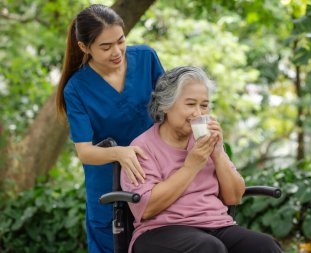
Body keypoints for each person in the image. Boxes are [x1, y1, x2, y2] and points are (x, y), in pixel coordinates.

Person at [120, 66, 283, 253]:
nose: (198, 113)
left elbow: (234, 196)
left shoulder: (206, 141)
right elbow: (147, 208)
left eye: (204, 106)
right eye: (190, 104)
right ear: (165, 104)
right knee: (209, 247)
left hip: (217, 225)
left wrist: (218, 153)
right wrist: (191, 166)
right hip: (160, 231)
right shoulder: (142, 147)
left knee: (264, 246)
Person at [55, 4, 164, 252]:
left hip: (154, 176)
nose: (117, 52)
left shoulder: (146, 59)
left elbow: (172, 109)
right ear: (85, 47)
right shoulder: (76, 89)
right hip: (108, 185)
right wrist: (120, 153)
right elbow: (85, 151)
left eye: (121, 41)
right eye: (105, 47)